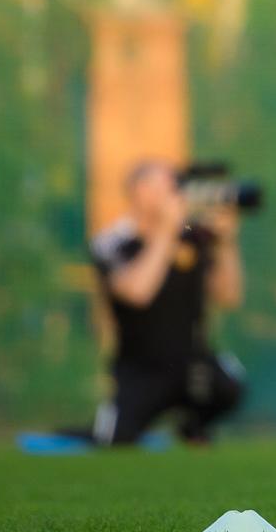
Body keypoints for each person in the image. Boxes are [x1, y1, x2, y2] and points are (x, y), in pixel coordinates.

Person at [85, 159, 248, 445]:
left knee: (230, 387)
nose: (178, 192)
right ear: (141, 191)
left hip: (192, 367)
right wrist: (165, 231)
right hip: (141, 370)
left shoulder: (194, 238)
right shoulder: (114, 241)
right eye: (169, 185)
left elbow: (228, 297)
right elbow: (137, 293)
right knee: (115, 438)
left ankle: (192, 427)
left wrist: (226, 243)